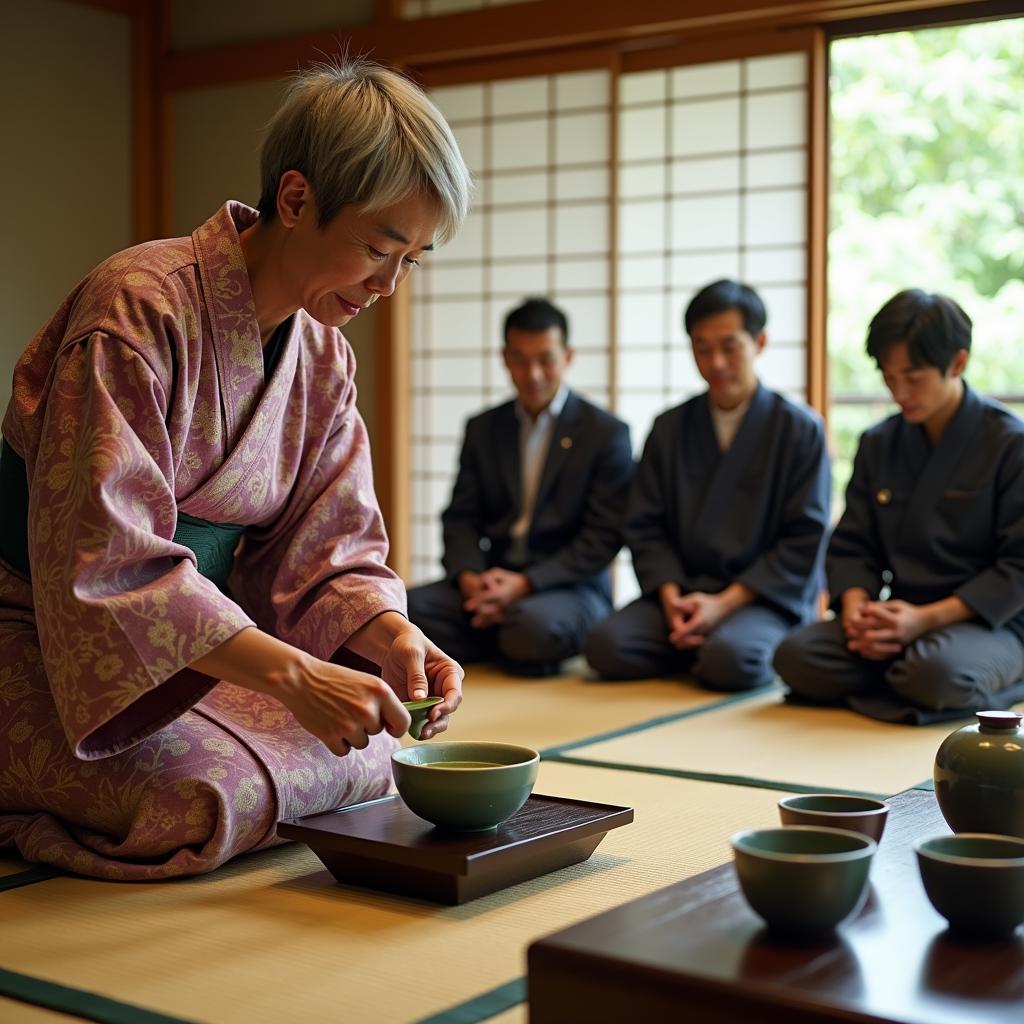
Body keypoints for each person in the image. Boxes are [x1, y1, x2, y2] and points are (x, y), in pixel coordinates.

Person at [0, 57, 471, 879]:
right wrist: (293, 675)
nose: (390, 285)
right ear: (296, 200)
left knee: (370, 760)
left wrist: (393, 634)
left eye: (413, 260)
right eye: (376, 247)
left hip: (193, 652)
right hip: (39, 634)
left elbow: (331, 544)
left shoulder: (323, 356)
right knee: (206, 797)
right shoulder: (136, 308)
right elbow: (107, 561)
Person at [774, 289, 1024, 724]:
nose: (899, 391)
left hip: (988, 623)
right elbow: (853, 544)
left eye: (913, 377)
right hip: (898, 620)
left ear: (958, 363)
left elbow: (1018, 567)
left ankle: (981, 677)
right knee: (795, 657)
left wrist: (924, 620)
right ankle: (904, 674)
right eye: (889, 377)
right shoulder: (879, 443)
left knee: (937, 674)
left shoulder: (1010, 444)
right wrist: (856, 611)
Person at [586, 280, 830, 691]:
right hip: (680, 594)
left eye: (730, 346)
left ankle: (707, 643)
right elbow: (644, 524)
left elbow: (804, 536)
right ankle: (692, 633)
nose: (716, 362)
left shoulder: (799, 429)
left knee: (730, 660)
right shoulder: (670, 427)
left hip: (759, 599)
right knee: (606, 646)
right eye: (702, 348)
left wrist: (724, 604)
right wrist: (671, 597)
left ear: (760, 342)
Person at [406, 298, 633, 676]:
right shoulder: (484, 428)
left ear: (568, 356)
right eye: (520, 360)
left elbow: (603, 537)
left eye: (546, 359)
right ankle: (497, 627)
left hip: (567, 587)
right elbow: (461, 516)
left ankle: (497, 632)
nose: (533, 374)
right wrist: (470, 579)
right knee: (400, 611)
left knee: (532, 628)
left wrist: (526, 584)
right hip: (492, 578)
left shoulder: (605, 433)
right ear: (505, 358)